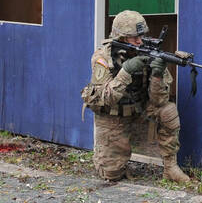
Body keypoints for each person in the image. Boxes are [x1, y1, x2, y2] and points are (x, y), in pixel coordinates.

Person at [82, 10, 191, 185]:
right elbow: (105, 98)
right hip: (113, 117)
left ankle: (171, 168)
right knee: (111, 174)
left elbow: (158, 101)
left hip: (139, 111)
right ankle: (111, 156)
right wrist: (126, 71)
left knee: (167, 110)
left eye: (141, 35)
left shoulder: (147, 53)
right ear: (122, 37)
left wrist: (157, 73)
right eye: (134, 37)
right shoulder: (103, 58)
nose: (140, 41)